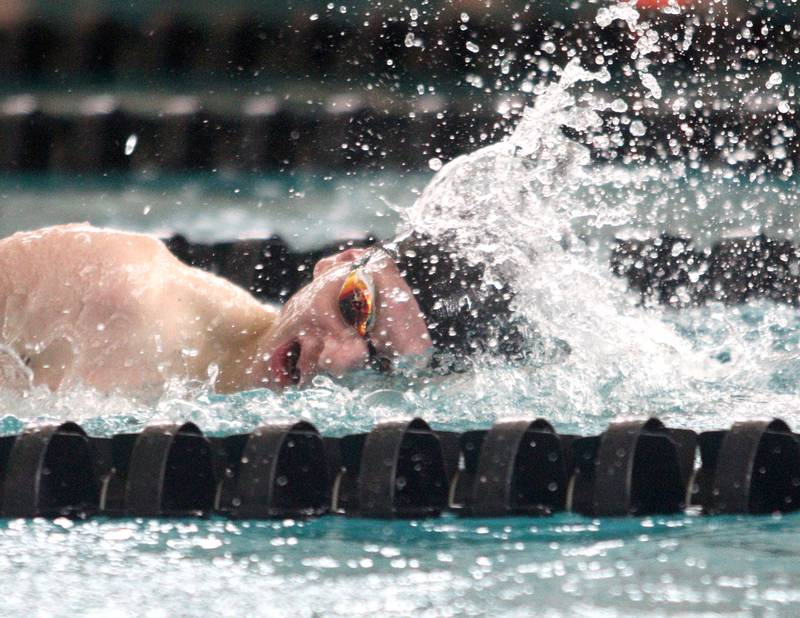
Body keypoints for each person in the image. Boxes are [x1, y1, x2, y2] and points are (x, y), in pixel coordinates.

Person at [0, 223, 520, 395]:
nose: (338, 359)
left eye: (381, 362)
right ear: (338, 263)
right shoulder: (115, 283)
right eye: (355, 307)